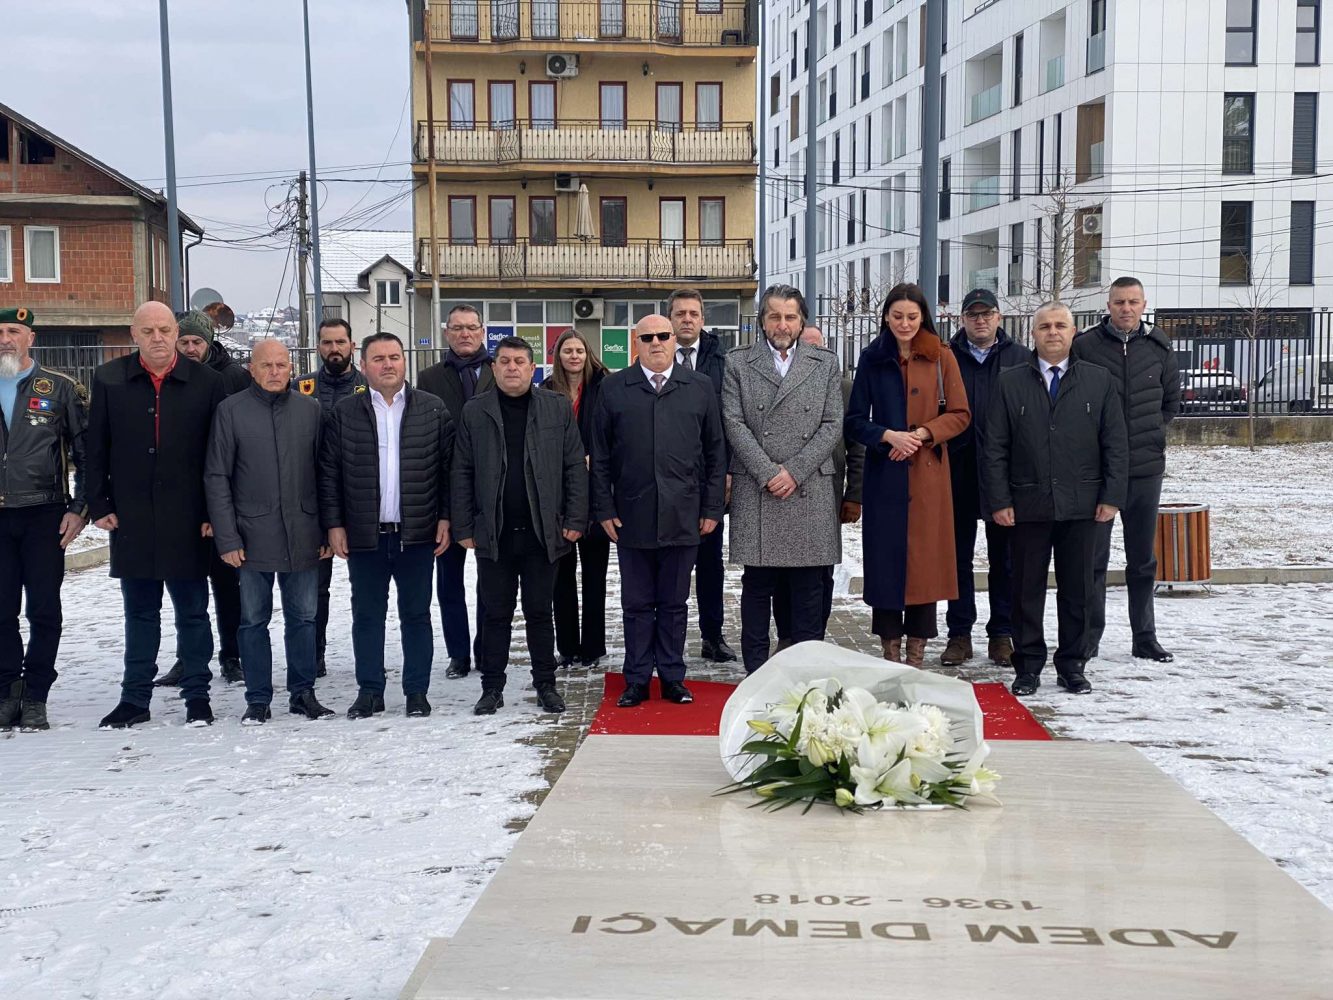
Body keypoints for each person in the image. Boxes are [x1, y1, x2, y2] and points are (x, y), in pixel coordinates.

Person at [87, 302, 225, 728]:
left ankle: (197, 697)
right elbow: (95, 447)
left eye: (165, 329)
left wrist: (213, 512)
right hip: (132, 517)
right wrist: (99, 503)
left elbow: (218, 454)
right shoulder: (109, 378)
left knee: (193, 613)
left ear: (175, 332)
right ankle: (134, 699)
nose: (158, 338)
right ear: (134, 334)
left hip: (190, 518)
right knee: (140, 613)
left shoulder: (208, 383)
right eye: (148, 331)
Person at [984, 302, 1128, 696]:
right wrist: (999, 500)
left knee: (1078, 590)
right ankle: (1028, 665)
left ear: (1073, 332)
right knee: (1025, 591)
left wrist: (1112, 496)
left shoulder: (1098, 380)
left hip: (1083, 505)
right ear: (1033, 333)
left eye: (1060, 325)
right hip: (1026, 505)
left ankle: (1072, 665)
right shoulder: (1010, 382)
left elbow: (1115, 443)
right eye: (1045, 326)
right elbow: (994, 447)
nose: (1053, 332)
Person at [591, 315, 726, 707]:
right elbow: (599, 455)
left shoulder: (699, 387)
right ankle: (636, 679)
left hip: (684, 514)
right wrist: (603, 508)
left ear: (673, 341)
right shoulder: (614, 388)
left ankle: (671, 677)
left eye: (663, 336)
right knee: (636, 604)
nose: (656, 343)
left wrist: (712, 507)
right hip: (631, 515)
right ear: (636, 343)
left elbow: (715, 452)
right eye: (647, 337)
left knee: (673, 604)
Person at [319, 332, 453, 719]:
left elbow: (448, 469)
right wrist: (334, 524)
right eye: (378, 359)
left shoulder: (432, 409)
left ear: (404, 361)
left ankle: (416, 692)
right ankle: (370, 691)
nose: (388, 364)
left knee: (416, 615)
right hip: (366, 535)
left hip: (418, 533)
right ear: (363, 366)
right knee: (367, 616)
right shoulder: (345, 412)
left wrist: (445, 517)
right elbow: (329, 473)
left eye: (394, 356)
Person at [452, 337, 588, 715]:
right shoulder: (475, 411)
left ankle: (546, 685)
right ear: (494, 368)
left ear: (532, 368)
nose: (512, 367)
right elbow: (461, 470)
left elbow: (574, 465)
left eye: (519, 362)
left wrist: (575, 518)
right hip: (494, 532)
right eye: (505, 361)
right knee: (495, 613)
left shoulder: (555, 407)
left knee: (540, 612)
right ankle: (491, 688)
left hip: (543, 531)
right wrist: (464, 525)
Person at [204, 340, 335, 725]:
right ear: (252, 369)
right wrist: (227, 537)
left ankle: (303, 693)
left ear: (291, 367)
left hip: (304, 533)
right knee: (252, 621)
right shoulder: (231, 411)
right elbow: (217, 476)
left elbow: (325, 473)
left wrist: (327, 529)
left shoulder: (310, 410)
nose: (275, 372)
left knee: (304, 618)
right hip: (251, 538)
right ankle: (258, 698)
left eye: (281, 365)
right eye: (267, 365)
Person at [844, 284, 971, 667]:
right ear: (886, 316)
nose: (904, 323)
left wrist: (923, 434)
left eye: (912, 317)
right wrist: (887, 435)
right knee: (886, 566)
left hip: (928, 477)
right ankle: (890, 653)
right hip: (885, 476)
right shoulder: (872, 358)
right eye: (897, 316)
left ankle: (916, 656)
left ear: (923, 317)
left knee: (925, 570)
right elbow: (854, 420)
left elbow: (960, 414)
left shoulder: (941, 355)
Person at [723, 286, 844, 674]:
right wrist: (768, 472)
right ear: (762, 321)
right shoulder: (738, 362)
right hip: (758, 486)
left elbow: (832, 424)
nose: (782, 324)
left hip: (808, 486)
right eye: (774, 316)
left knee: (809, 587)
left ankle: (807, 673)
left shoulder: (825, 363)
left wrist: (793, 471)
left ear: (802, 321)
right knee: (758, 585)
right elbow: (733, 423)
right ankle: (756, 671)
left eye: (790, 317)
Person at [1071, 276, 1180, 662]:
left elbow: (1170, 403)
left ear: (1144, 304)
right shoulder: (1085, 346)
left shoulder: (1159, 346)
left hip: (1145, 469)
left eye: (1133, 302)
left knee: (1142, 560)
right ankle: (1089, 638)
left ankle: (1144, 637)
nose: (1126, 308)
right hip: (1098, 472)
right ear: (1109, 305)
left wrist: (1146, 436)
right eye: (1119, 302)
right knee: (1093, 561)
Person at [0, 307, 88, 732]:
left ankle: (36, 693)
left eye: (13, 331)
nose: (5, 339)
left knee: (44, 610)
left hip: (44, 513)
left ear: (30, 338)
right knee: (1, 611)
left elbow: (87, 455)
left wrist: (79, 508)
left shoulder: (59, 388)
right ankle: (7, 690)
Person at [155, 309, 247, 689]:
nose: (191, 348)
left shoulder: (233, 377)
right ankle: (189, 657)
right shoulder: (167, 377)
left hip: (224, 501)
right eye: (185, 342)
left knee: (228, 586)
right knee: (185, 589)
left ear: (209, 343)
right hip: (182, 504)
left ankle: (233, 656)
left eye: (197, 342)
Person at [943, 288, 1033, 669]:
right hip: (957, 472)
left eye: (987, 314)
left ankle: (1001, 634)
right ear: (962, 319)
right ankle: (959, 634)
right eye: (973, 314)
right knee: (956, 559)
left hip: (1004, 475)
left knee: (1005, 560)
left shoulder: (1020, 358)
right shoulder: (946, 357)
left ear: (998, 317)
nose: (980, 320)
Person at [772, 324, 864, 648]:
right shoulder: (780, 384)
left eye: (819, 348)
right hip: (784, 493)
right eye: (806, 347)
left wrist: (854, 495)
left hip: (827, 494)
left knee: (821, 573)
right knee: (783, 571)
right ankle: (786, 636)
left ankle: (815, 638)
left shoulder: (844, 388)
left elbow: (857, 446)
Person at [418, 304, 493, 679]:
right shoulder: (429, 377)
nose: (465, 334)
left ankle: (486, 650)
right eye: (457, 328)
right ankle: (458, 654)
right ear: (447, 333)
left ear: (483, 332)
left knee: (490, 581)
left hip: (490, 491)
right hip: (445, 493)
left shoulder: (499, 371)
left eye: (471, 327)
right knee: (448, 581)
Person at [293, 317, 368, 678]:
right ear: (318, 346)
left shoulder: (370, 386)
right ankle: (314, 655)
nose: (334, 349)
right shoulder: (299, 388)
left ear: (352, 345)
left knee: (365, 589)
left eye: (340, 342)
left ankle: (368, 659)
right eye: (327, 342)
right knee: (314, 588)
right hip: (312, 502)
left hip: (360, 500)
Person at [667, 288, 737, 664]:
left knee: (710, 564)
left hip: (710, 479)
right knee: (670, 566)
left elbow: (732, 421)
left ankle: (712, 637)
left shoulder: (722, 360)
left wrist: (728, 470)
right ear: (670, 318)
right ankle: (667, 640)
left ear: (703, 319)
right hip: (666, 479)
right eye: (680, 313)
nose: (687, 319)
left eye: (693, 313)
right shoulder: (657, 353)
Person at [547, 328, 611, 668]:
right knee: (562, 576)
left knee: (594, 576)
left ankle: (593, 648)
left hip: (595, 493)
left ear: (588, 355)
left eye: (579, 351)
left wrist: (594, 460)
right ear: (558, 356)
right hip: (558, 495)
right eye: (567, 351)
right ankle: (568, 646)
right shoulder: (546, 390)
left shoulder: (604, 387)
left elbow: (615, 434)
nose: (574, 356)